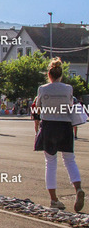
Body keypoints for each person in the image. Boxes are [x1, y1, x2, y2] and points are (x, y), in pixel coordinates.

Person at [35, 58, 84, 212]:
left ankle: (54, 199)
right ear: (60, 75)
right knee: (69, 160)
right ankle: (78, 188)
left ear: (49, 74)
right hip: (65, 126)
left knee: (50, 162)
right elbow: (70, 105)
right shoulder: (68, 88)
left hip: (49, 125)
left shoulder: (43, 89)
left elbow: (38, 107)